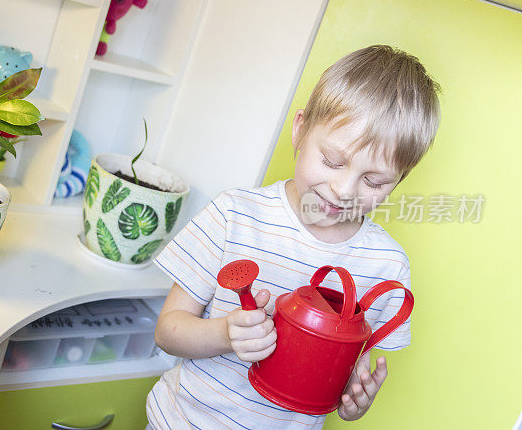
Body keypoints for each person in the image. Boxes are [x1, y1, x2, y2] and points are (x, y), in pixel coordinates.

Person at [146, 45, 441, 429]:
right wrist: (226, 333)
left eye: (373, 181)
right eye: (333, 162)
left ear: (398, 181)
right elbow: (168, 330)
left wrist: (354, 401)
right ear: (300, 129)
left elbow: (350, 373)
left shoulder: (385, 265)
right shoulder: (234, 214)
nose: (343, 190)